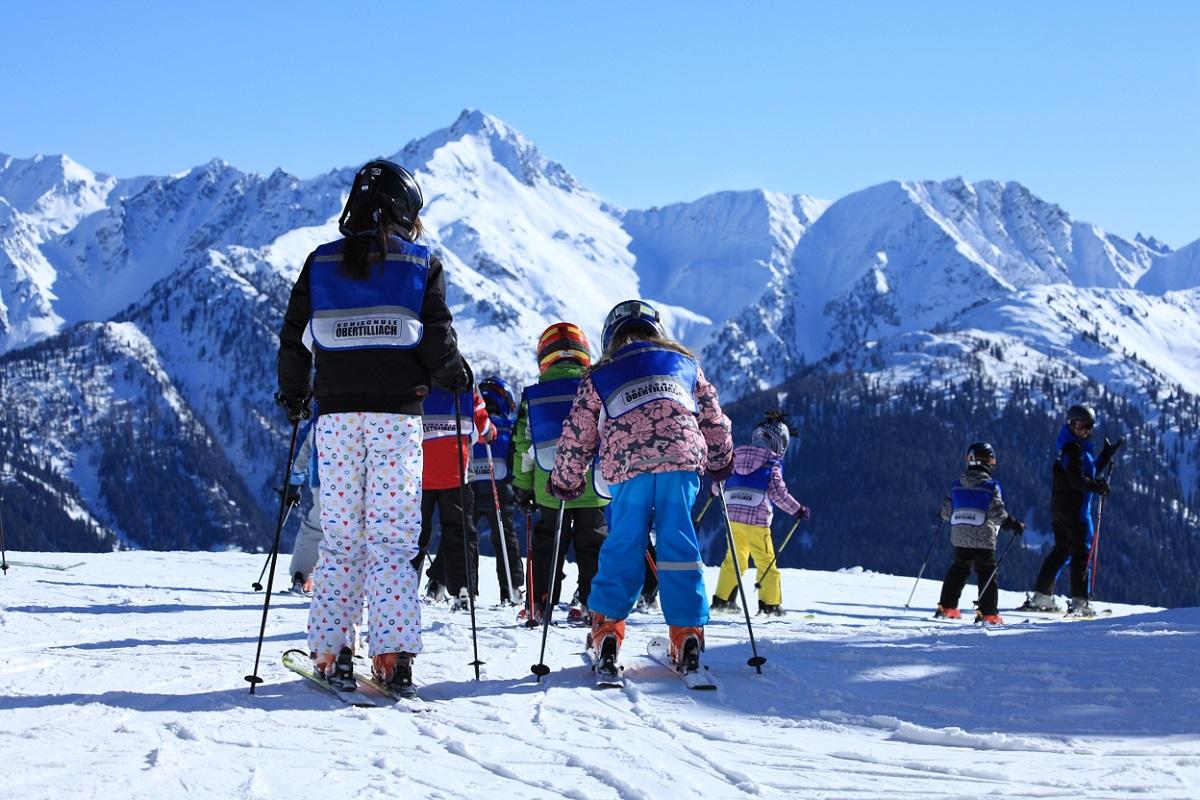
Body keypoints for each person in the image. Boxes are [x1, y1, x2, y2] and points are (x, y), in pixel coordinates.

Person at [275, 159, 468, 693]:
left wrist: (294, 394)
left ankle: (331, 651)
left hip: (336, 418)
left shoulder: (320, 263)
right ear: (407, 212)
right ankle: (393, 655)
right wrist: (455, 375)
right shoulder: (420, 264)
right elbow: (436, 340)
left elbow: (294, 338)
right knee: (394, 542)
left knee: (340, 539)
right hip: (397, 419)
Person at [549, 300, 733, 676]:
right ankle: (686, 633)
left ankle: (607, 629)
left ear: (610, 338)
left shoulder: (600, 374)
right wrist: (721, 459)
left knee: (624, 543)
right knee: (678, 543)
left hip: (627, 465)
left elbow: (577, 434)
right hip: (681, 461)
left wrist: (566, 479)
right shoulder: (685, 365)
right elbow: (713, 418)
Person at [511, 322, 609, 624]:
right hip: (594, 485)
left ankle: (539, 603)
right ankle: (595, 605)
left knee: (547, 546)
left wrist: (523, 486)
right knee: (593, 546)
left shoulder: (534, 396)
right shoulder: (599, 388)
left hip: (550, 486)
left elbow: (524, 446)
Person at [710, 410, 810, 617]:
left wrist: (714, 491)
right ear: (779, 443)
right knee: (765, 561)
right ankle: (770, 605)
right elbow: (778, 494)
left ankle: (722, 601)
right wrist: (797, 510)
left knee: (734, 559)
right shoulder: (772, 463)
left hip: (732, 518)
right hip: (757, 521)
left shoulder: (735, 457)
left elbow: (720, 482)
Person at [1025, 404, 1122, 616]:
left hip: (1060, 510)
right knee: (1081, 554)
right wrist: (1098, 486)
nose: (1084, 430)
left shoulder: (1070, 448)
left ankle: (1041, 595)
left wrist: (1105, 456)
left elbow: (1087, 472)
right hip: (1076, 512)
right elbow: (1077, 481)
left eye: (1088, 426)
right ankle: (1080, 602)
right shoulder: (1074, 449)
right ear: (1070, 424)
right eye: (1079, 425)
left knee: (1062, 551)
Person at [419, 382, 494, 609]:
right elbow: (483, 427)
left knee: (414, 531)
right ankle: (463, 589)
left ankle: (402, 588)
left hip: (417, 469)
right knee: (459, 530)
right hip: (456, 469)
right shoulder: (464, 376)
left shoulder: (413, 368)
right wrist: (490, 432)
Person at [934, 442, 1025, 624]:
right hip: (983, 537)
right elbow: (997, 513)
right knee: (987, 572)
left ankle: (947, 607)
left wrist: (942, 515)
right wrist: (1013, 524)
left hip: (960, 537)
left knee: (959, 569)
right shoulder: (990, 487)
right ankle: (988, 613)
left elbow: (946, 512)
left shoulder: (957, 485)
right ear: (988, 463)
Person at [471, 376, 524, 604]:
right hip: (501, 490)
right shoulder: (508, 427)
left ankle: (463, 586)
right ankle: (511, 588)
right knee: (506, 538)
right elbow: (516, 458)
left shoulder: (471, 425)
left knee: (464, 536)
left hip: (471, 487)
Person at [284, 415, 321, 594]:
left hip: (325, 477)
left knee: (317, 526)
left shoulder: (324, 409)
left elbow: (304, 444)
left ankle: (301, 576)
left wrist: (294, 482)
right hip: (368, 480)